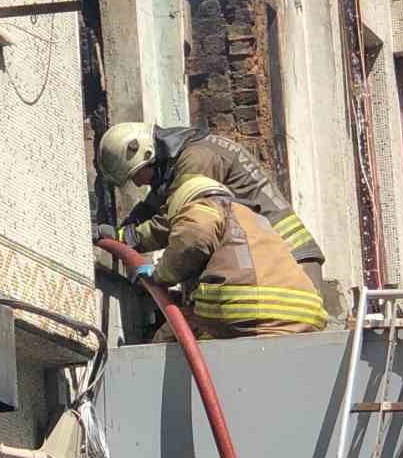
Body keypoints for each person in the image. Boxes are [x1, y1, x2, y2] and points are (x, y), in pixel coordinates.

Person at [94, 123, 328, 340]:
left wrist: (131, 242)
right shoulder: (184, 159)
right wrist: (121, 229)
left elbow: (187, 225)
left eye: (135, 175)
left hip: (283, 266)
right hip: (266, 265)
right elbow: (153, 206)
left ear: (147, 155)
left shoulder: (197, 161)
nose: (137, 184)